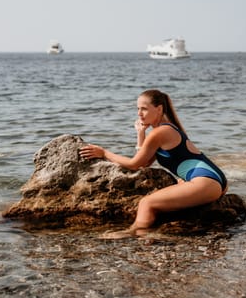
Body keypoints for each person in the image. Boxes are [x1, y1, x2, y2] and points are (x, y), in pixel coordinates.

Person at [79, 89, 228, 238]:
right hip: (214, 180)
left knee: (146, 203)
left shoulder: (159, 132)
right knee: (171, 190)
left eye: (144, 108)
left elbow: (134, 164)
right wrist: (140, 134)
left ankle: (134, 233)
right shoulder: (165, 129)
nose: (139, 113)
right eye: (137, 109)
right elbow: (145, 163)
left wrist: (104, 153)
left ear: (159, 109)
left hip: (206, 182)